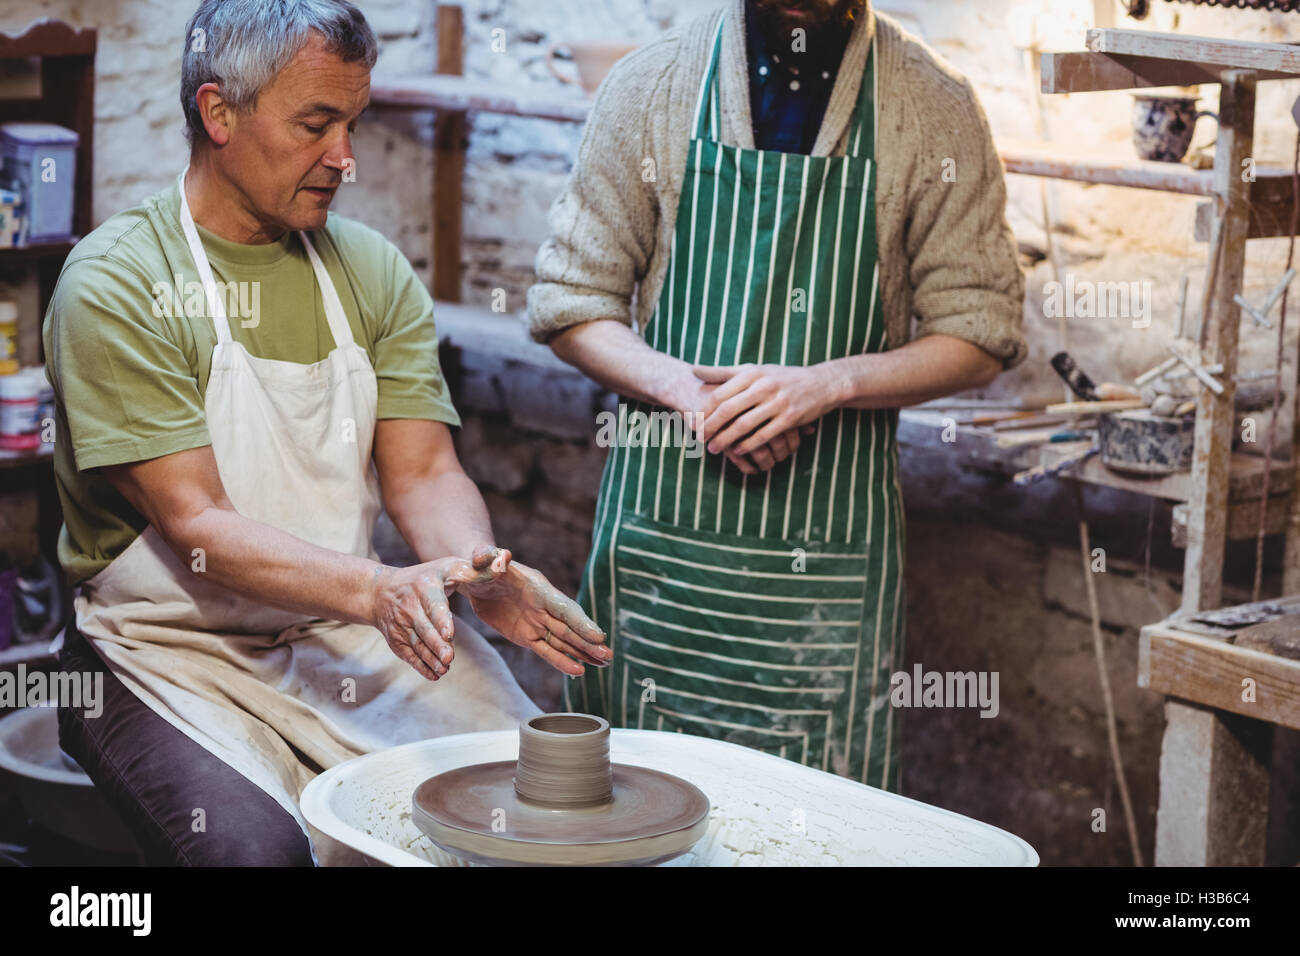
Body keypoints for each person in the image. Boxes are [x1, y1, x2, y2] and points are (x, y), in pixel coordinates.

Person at [44, 0, 609, 866]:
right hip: (166, 649)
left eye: (352, 120)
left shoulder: (370, 271)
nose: (344, 156)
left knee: (531, 809)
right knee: (257, 853)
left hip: (337, 630)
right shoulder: (118, 285)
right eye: (316, 123)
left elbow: (423, 473)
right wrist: (381, 591)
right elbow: (196, 523)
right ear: (218, 112)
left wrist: (472, 566)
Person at [528, 0, 1027, 790]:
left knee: (816, 821)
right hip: (666, 555)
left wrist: (829, 383)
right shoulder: (651, 86)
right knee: (629, 811)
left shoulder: (931, 106)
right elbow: (570, 304)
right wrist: (690, 394)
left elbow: (981, 333)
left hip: (824, 575)